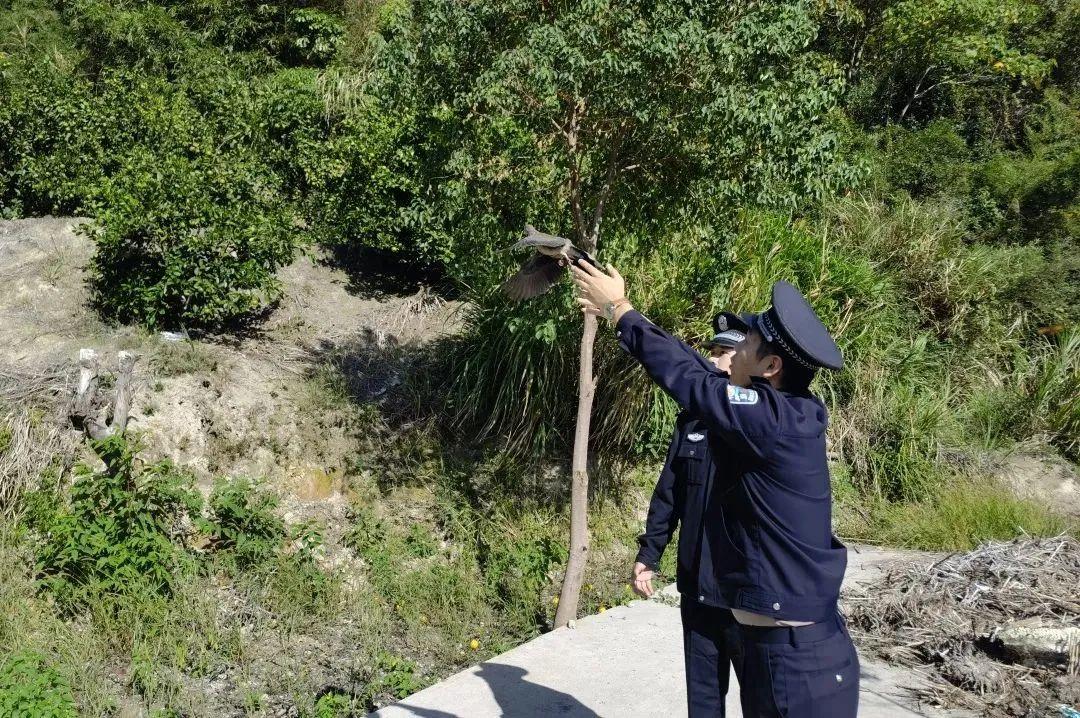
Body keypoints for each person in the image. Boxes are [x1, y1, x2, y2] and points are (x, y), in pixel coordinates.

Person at [572, 260, 859, 718]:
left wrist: (620, 308)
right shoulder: (783, 411)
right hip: (787, 647)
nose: (735, 348)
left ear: (770, 365)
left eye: (748, 341)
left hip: (796, 662)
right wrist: (626, 316)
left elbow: (691, 383)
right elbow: (700, 378)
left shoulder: (769, 421)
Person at [630, 311, 752, 717]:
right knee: (702, 697)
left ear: (744, 360)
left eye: (723, 352)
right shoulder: (691, 424)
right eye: (713, 352)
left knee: (762, 697)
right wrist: (649, 555)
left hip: (746, 593)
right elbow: (669, 495)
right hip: (697, 585)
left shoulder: (760, 423)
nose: (715, 359)